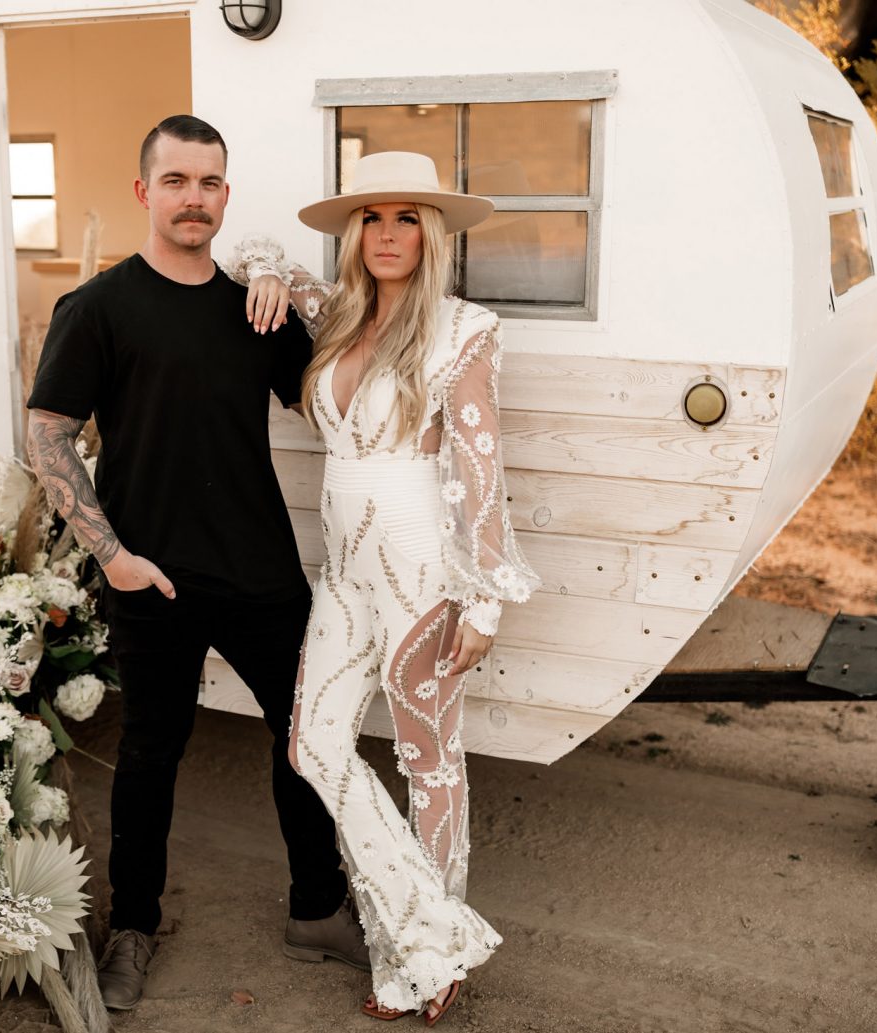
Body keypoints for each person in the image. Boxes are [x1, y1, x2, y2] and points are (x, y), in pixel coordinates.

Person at [24, 115, 367, 1012]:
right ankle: (132, 928)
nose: (194, 198)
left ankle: (317, 908)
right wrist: (113, 556)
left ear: (226, 195)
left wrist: (283, 282)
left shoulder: (251, 308)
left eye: (210, 182)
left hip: (259, 566)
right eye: (176, 181)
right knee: (150, 755)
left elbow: (328, 394)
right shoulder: (97, 307)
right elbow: (48, 436)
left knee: (303, 739)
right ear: (144, 191)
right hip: (153, 573)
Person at [230, 150, 541, 1025]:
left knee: (428, 761)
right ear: (354, 233)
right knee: (314, 746)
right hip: (344, 572)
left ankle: (426, 958)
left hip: (422, 571)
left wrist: (483, 597)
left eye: (407, 217)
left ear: (432, 232)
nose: (388, 233)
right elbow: (254, 247)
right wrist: (260, 272)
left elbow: (481, 466)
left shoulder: (462, 329)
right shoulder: (332, 317)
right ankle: (431, 923)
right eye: (372, 217)